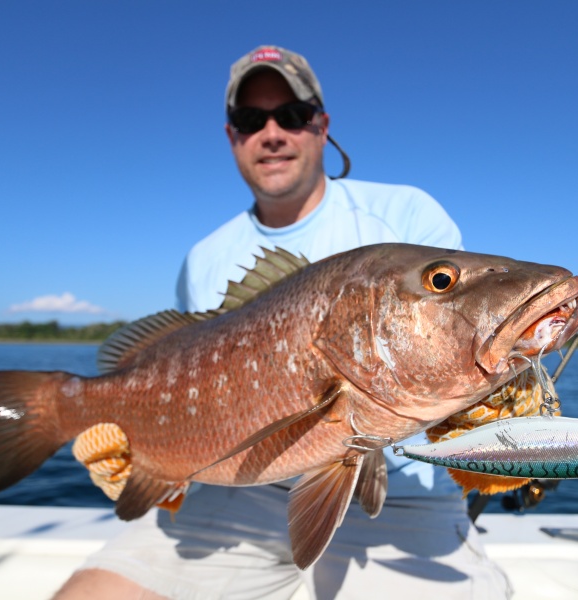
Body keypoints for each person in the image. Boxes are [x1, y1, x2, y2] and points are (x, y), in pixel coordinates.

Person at [56, 45, 511, 600]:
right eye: (251, 120)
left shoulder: (404, 214)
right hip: (232, 496)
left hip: (403, 506)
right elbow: (178, 380)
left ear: (322, 126)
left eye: (291, 115)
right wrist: (156, 470)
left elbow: (464, 333)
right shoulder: (206, 257)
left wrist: (501, 413)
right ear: (232, 138)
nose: (272, 132)